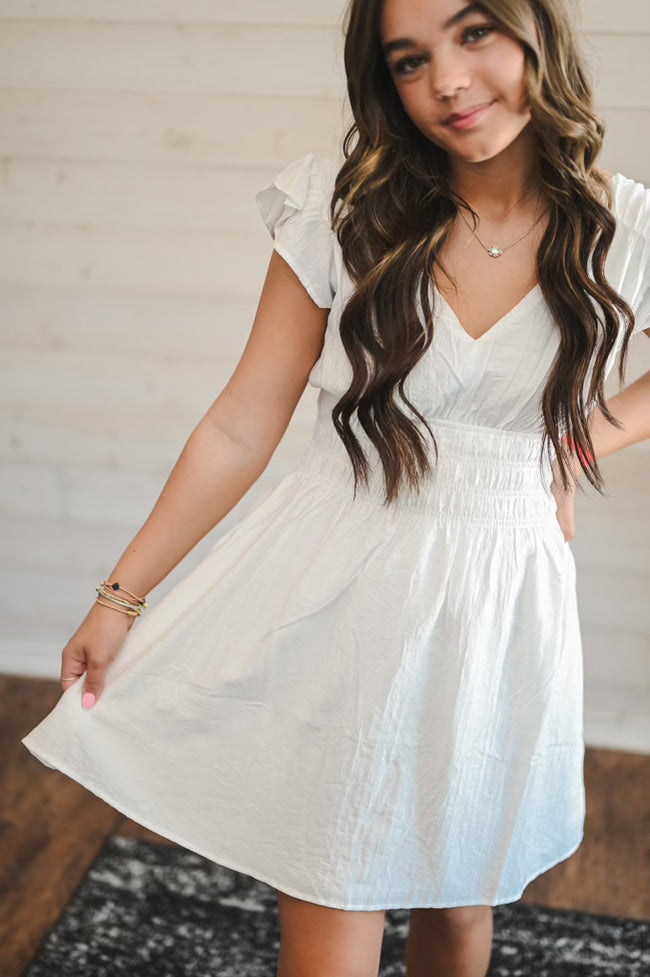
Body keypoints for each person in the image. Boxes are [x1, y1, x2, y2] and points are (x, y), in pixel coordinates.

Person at [21, 1, 650, 975]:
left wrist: (572, 443)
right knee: (332, 880)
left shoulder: (624, 226)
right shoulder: (342, 207)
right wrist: (121, 594)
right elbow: (242, 420)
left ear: (536, 29)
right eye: (409, 60)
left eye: (473, 33)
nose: (447, 81)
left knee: (460, 902)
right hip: (341, 584)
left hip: (497, 600)